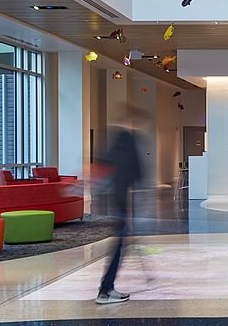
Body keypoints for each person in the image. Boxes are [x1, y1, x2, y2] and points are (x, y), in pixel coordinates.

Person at [93, 105, 146, 306]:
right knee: (118, 247)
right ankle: (105, 290)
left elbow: (105, 168)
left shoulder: (114, 140)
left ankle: (107, 287)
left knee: (119, 245)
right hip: (122, 201)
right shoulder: (128, 140)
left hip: (116, 200)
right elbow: (136, 172)